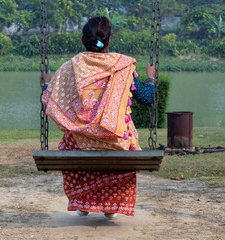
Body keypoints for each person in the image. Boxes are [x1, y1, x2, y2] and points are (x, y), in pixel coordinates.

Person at [42, 16, 156, 218]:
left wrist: (46, 84)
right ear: (108, 42)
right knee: (122, 138)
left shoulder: (71, 68)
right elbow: (147, 98)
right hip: (116, 143)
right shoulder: (123, 66)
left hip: (81, 144)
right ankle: (112, 205)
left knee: (72, 140)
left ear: (82, 40)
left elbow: (51, 101)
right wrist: (151, 77)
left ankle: (83, 203)